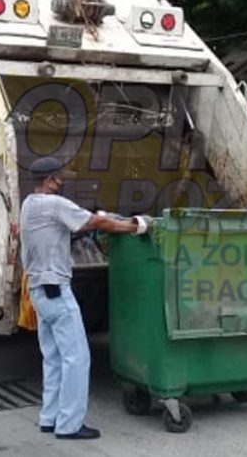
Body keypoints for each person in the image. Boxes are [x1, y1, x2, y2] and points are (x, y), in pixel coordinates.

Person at [19, 156, 149, 440]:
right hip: (56, 291)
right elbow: (98, 223)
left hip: (38, 291)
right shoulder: (54, 205)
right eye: (58, 177)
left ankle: (49, 418)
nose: (62, 182)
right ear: (51, 179)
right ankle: (70, 425)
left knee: (52, 357)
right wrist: (136, 226)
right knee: (77, 358)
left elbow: (62, 231)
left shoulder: (28, 206)